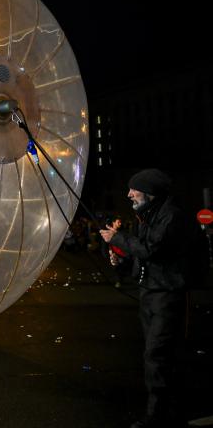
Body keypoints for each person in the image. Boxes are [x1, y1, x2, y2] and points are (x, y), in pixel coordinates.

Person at [99, 169, 191, 428]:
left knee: (158, 355)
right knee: (158, 356)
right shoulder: (146, 217)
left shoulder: (171, 217)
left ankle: (158, 415)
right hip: (149, 293)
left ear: (150, 192)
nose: (128, 194)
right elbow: (141, 257)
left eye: (134, 189)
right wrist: (121, 258)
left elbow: (154, 250)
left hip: (168, 295)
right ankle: (170, 410)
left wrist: (119, 239)